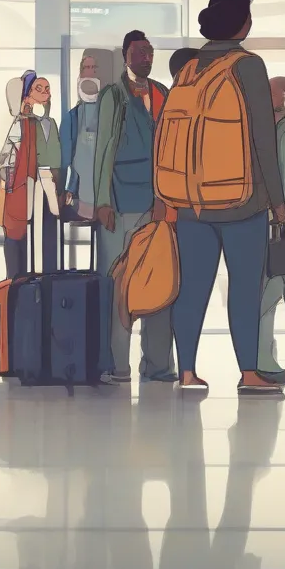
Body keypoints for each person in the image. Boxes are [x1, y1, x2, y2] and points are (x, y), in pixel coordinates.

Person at [168, 0, 285, 395]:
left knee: (192, 287)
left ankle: (186, 372)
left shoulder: (188, 67)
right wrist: (278, 201)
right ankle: (249, 372)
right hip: (242, 201)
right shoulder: (248, 65)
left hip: (190, 204)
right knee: (243, 288)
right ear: (243, 23)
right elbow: (263, 140)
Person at [93, 31, 176, 384]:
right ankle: (117, 365)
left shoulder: (162, 93)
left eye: (150, 51)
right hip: (119, 204)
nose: (146, 57)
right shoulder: (113, 95)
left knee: (159, 281)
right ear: (126, 55)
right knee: (117, 285)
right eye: (139, 51)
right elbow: (104, 149)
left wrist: (168, 199)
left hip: (156, 206)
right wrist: (101, 200)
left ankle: (157, 365)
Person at [256, 77, 285, 385]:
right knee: (265, 292)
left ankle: (263, 358)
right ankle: (262, 356)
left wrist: (281, 223)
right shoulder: (267, 132)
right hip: (262, 223)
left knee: (270, 293)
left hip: (276, 226)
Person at [0, 72, 61, 278]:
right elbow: (7, 156)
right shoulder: (21, 123)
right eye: (38, 89)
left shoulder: (51, 123)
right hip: (24, 187)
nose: (44, 93)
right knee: (19, 241)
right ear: (27, 96)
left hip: (48, 188)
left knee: (48, 240)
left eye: (47, 89)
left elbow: (57, 157)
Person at [63, 53, 102, 222]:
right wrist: (68, 188)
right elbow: (67, 157)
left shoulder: (110, 114)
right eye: (87, 67)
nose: (91, 72)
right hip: (80, 192)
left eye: (94, 68)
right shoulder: (72, 117)